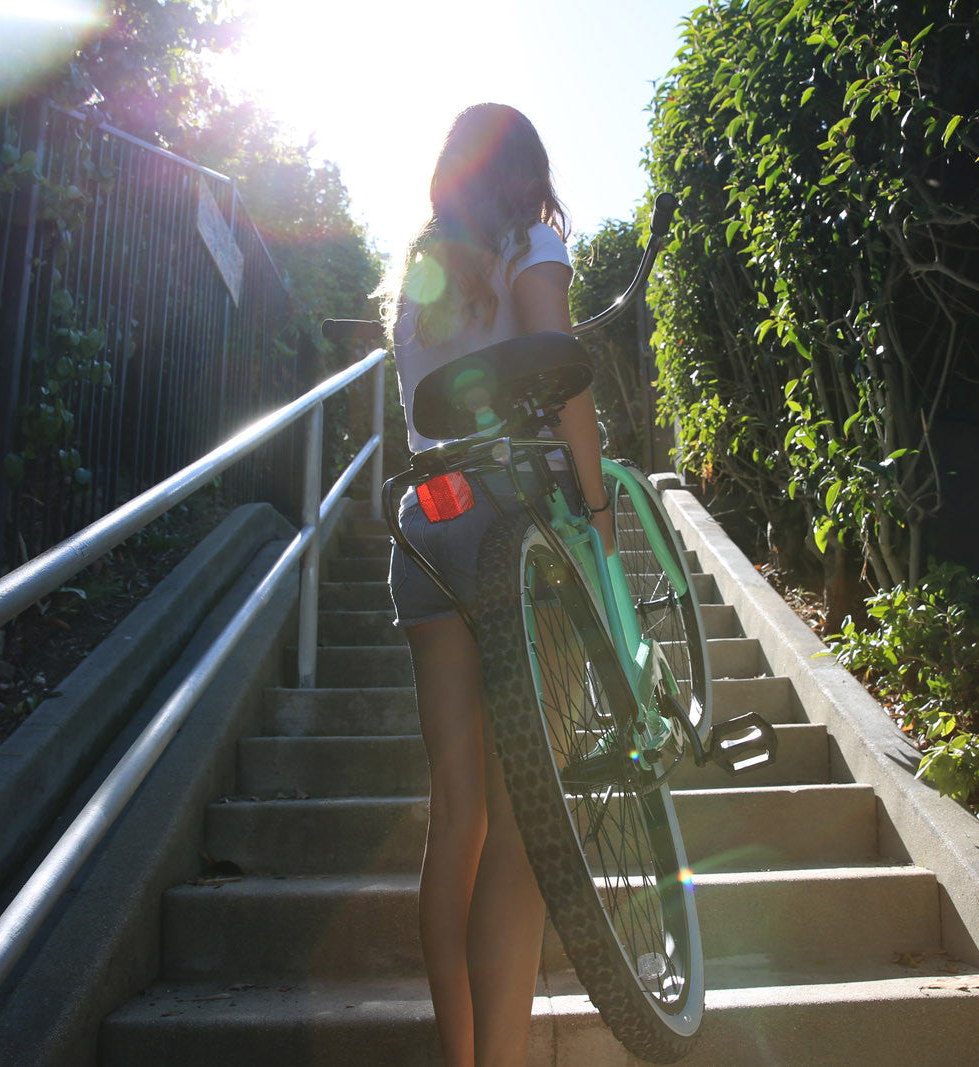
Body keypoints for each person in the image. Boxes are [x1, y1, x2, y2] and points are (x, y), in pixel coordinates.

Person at [380, 103, 615, 1066]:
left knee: (458, 813)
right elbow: (565, 387)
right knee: (526, 819)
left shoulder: (416, 278)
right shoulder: (532, 242)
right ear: (527, 173)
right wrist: (599, 523)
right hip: (516, 519)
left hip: (427, 522)